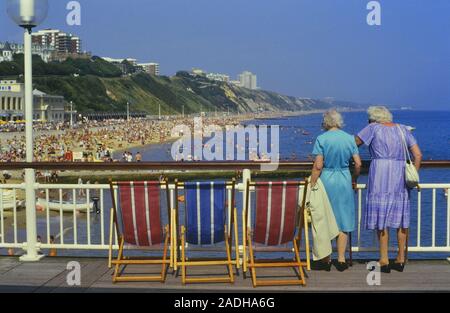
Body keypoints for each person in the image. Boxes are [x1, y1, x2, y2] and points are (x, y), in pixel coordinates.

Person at [356, 106, 422, 273]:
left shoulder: (373, 128)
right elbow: (418, 155)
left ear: (374, 119)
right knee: (401, 219)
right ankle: (400, 259)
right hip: (400, 177)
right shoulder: (402, 129)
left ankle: (384, 259)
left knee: (381, 217)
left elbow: (354, 142)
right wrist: (412, 173)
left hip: (380, 174)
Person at [310, 110, 362, 271]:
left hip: (326, 180)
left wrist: (311, 184)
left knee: (325, 218)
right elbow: (358, 163)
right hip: (344, 179)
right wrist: (354, 178)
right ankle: (341, 258)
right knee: (343, 219)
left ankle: (326, 259)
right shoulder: (348, 138)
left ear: (325, 122)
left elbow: (318, 165)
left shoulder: (322, 139)